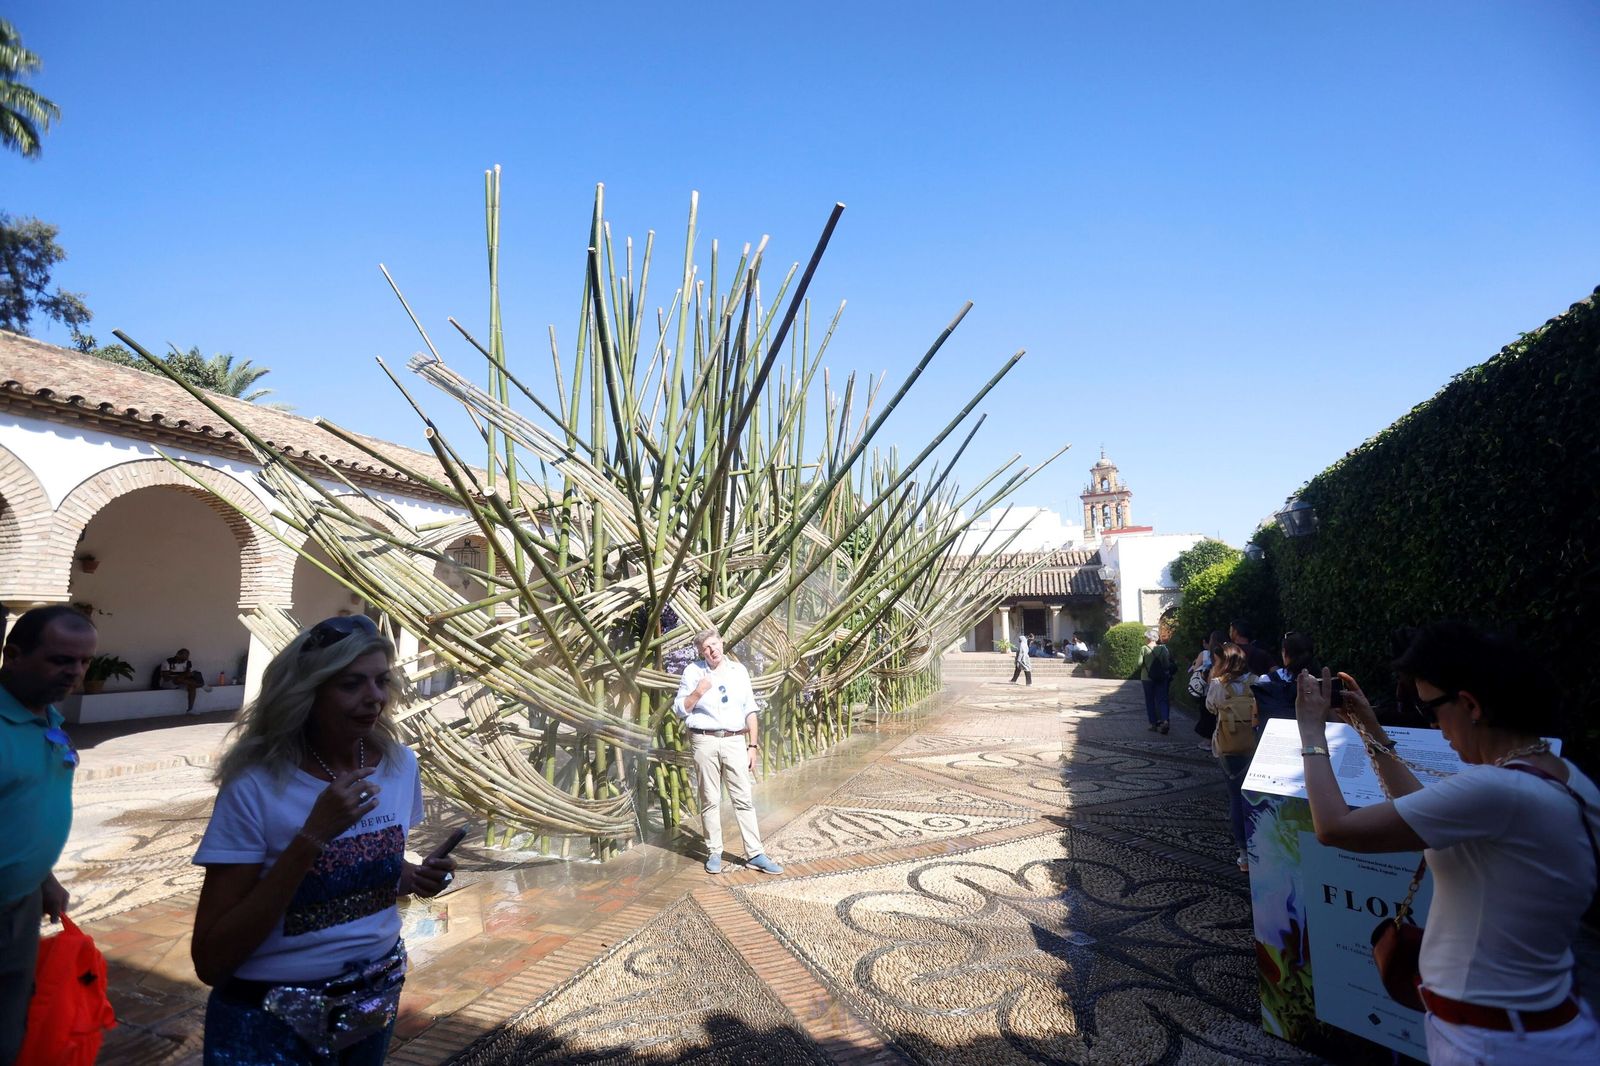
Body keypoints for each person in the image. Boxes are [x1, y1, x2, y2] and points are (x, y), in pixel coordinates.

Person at [1294, 623, 1600, 1063]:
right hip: (1535, 1028)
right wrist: (1369, 729)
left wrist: (1311, 733)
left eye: (1431, 709)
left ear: (1471, 705)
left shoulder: (1499, 791)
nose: (1435, 726)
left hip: (1491, 1044)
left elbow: (1334, 828)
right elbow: (1421, 810)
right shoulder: (1567, 780)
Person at [190, 614, 456, 1065]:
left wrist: (414, 877)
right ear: (307, 691)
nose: (373, 697)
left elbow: (362, 874)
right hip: (270, 1016)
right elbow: (211, 960)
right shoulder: (256, 783)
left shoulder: (399, 764)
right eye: (351, 684)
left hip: (374, 996)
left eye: (380, 681)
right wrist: (313, 834)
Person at [0, 605, 95, 1064]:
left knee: (11, 1021)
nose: (74, 672)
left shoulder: (48, 717)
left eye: (84, 661)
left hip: (20, 902)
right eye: (60, 660)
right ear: (14, 655)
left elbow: (23, 808)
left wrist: (44, 878)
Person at [672, 628, 783, 876]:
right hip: (704, 740)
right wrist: (698, 692)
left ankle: (755, 854)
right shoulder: (693, 672)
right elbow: (679, 709)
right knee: (709, 799)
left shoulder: (738, 671)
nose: (712, 651)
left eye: (714, 644)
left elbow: (750, 709)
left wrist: (752, 746)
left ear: (721, 643)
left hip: (734, 741)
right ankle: (714, 851)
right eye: (706, 648)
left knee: (743, 798)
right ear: (701, 653)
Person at [1207, 642, 1259, 871]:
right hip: (1254, 746)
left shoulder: (1218, 685)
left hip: (1228, 746)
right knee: (1254, 797)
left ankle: (1244, 855)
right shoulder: (1257, 681)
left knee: (1236, 798)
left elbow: (1210, 707)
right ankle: (1261, 845)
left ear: (1224, 662)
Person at [1250, 630, 1317, 727]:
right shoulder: (1320, 682)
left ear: (1285, 654)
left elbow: (1255, 721)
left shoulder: (1267, 681)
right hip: (1313, 734)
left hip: (1275, 735)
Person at [1138, 627, 1172, 734]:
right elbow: (1166, 664)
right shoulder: (1162, 649)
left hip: (1146, 678)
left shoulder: (1144, 649)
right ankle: (1165, 720)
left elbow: (1139, 664)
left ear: (1148, 638)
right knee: (1162, 699)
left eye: (1145, 637)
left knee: (1150, 700)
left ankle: (1153, 724)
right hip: (1161, 677)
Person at [161, 647, 207, 713]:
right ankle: (200, 685)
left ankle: (190, 709)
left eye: (187, 657)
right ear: (178, 655)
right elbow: (166, 678)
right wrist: (183, 675)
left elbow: (187, 675)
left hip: (182, 682)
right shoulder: (167, 662)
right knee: (179, 679)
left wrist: (190, 674)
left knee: (192, 685)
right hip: (169, 683)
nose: (186, 659)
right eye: (184, 657)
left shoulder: (187, 662)